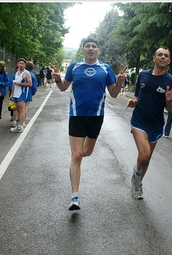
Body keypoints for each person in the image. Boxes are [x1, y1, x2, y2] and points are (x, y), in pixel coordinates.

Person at [49, 37, 127, 210]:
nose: (91, 49)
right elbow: (63, 88)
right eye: (87, 46)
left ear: (98, 50)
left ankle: (74, 161)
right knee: (77, 155)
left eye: (94, 46)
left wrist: (120, 81)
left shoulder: (105, 69)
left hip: (96, 116)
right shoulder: (74, 67)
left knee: (86, 152)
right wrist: (56, 78)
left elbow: (113, 94)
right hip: (76, 115)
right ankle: (74, 197)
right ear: (83, 49)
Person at [126, 46, 172, 199]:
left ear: (169, 61)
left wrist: (168, 100)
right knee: (145, 155)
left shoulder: (171, 81)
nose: (162, 57)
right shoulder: (143, 75)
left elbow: (170, 108)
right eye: (160, 55)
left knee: (145, 159)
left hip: (156, 124)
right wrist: (134, 102)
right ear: (154, 58)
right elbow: (138, 97)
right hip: (139, 120)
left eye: (166, 55)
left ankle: (137, 182)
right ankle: (137, 182)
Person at [10, 58, 32, 133]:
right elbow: (14, 84)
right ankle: (19, 125)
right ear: (18, 64)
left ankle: (20, 126)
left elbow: (30, 84)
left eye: (23, 64)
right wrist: (12, 94)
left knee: (22, 110)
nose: (21, 65)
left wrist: (19, 84)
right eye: (20, 63)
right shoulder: (17, 72)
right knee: (18, 110)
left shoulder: (26, 73)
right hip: (15, 93)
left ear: (25, 65)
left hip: (22, 94)